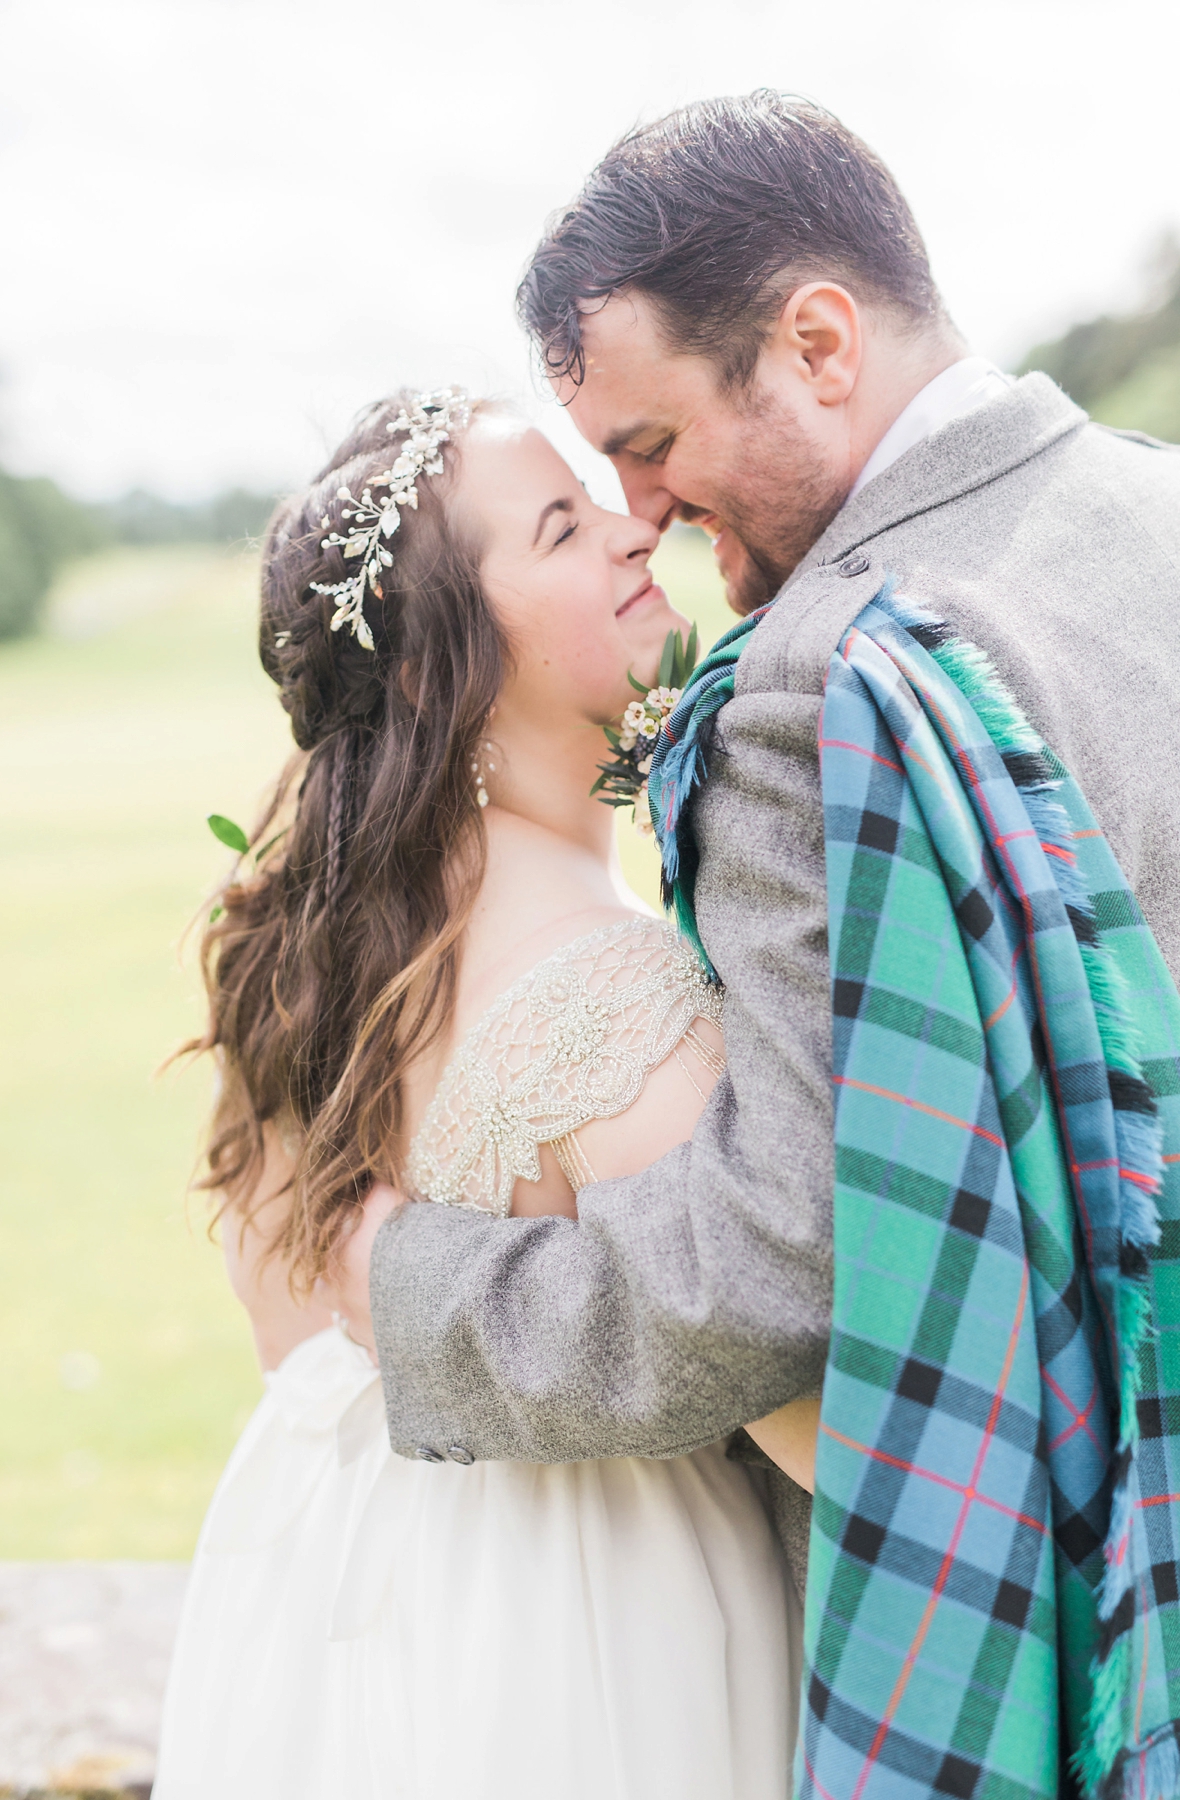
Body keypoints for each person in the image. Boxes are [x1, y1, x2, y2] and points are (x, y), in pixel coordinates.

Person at [337, 91, 1180, 1784]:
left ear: (814, 342)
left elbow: (788, 1263)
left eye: (649, 445)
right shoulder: (1156, 506)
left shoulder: (830, 677)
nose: (641, 510)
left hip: (1063, 1616)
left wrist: (404, 1285)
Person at [152, 390, 804, 1799]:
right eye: (567, 526)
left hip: (341, 1586)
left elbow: (292, 1333)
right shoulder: (606, 992)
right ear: (449, 667)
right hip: (603, 1622)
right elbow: (796, 1398)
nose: (640, 531)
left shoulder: (312, 936)